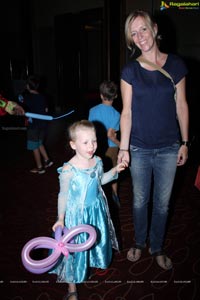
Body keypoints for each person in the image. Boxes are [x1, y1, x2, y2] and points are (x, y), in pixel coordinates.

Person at [118, 10, 189, 270]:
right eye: (133, 33)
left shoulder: (176, 65)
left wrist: (185, 142)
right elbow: (127, 112)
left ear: (154, 28)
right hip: (139, 146)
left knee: (162, 203)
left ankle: (156, 245)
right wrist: (123, 148)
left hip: (170, 148)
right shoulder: (130, 70)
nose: (140, 37)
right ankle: (139, 241)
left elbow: (181, 105)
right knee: (139, 200)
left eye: (143, 30)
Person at [50, 120, 127, 300]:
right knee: (73, 248)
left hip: (96, 209)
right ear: (73, 144)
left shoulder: (98, 160)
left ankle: (89, 263)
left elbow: (101, 180)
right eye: (85, 142)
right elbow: (63, 195)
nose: (91, 146)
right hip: (76, 215)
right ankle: (72, 289)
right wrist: (61, 218)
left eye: (94, 141)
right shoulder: (69, 169)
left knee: (94, 239)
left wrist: (116, 169)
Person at [88, 80, 121, 205]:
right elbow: (111, 136)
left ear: (101, 95)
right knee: (113, 170)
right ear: (116, 96)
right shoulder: (116, 114)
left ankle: (98, 197)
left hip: (96, 146)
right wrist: (121, 145)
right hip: (111, 147)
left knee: (97, 170)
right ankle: (115, 194)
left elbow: (91, 130)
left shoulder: (92, 110)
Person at [23, 75, 53, 174]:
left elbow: (23, 110)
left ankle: (40, 168)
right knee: (39, 143)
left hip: (33, 127)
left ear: (28, 86)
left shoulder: (28, 98)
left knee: (34, 146)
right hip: (43, 126)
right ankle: (47, 160)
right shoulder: (43, 97)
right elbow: (46, 110)